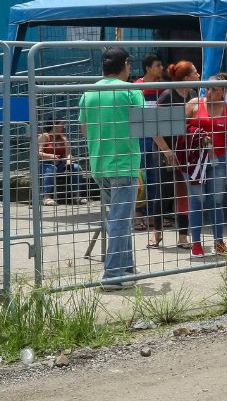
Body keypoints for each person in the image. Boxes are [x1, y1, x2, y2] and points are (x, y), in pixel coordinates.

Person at [78, 47, 145, 290]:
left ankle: (126, 268)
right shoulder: (130, 91)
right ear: (126, 64)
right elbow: (144, 125)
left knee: (118, 219)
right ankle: (113, 274)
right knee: (120, 220)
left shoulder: (89, 92)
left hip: (99, 164)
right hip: (125, 164)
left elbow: (84, 129)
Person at [185, 72, 227, 257]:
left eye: (214, 89)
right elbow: (180, 129)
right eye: (208, 88)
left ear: (223, 92)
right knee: (197, 200)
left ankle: (218, 242)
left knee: (216, 201)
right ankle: (196, 243)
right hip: (195, 160)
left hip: (219, 159)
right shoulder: (194, 104)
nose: (209, 92)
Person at [149, 60, 199, 250]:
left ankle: (183, 236)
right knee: (164, 192)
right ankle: (156, 234)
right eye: (195, 72)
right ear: (186, 77)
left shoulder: (193, 95)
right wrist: (166, 150)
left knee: (184, 192)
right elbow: (153, 128)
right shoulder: (167, 96)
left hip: (185, 152)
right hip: (165, 151)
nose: (198, 75)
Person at [134, 54, 168, 232]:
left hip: (159, 136)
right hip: (141, 137)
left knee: (156, 176)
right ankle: (138, 215)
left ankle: (153, 215)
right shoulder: (137, 87)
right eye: (158, 65)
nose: (161, 68)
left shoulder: (164, 87)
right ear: (147, 68)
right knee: (141, 176)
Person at [37, 120, 85, 206]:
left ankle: (76, 196)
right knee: (51, 169)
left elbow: (68, 154)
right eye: (62, 124)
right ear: (54, 125)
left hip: (60, 163)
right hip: (45, 164)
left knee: (77, 168)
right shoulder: (44, 136)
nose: (64, 126)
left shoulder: (63, 138)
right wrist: (51, 156)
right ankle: (46, 197)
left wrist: (68, 165)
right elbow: (38, 153)